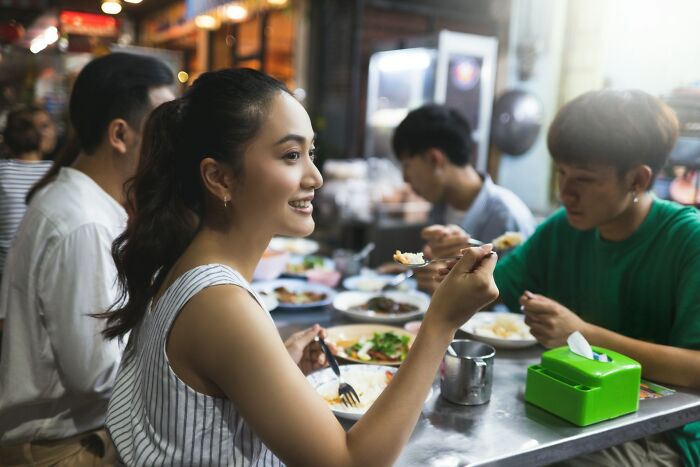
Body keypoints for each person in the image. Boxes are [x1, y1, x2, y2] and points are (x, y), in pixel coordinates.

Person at [101, 68, 499, 466]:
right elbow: (351, 463)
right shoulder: (221, 306)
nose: (316, 176)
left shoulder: (184, 262)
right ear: (219, 177)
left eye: (311, 153)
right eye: (291, 155)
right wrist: (440, 323)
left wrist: (274, 362)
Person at [431, 89, 700, 466]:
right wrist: (451, 272)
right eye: (561, 172)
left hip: (661, 434)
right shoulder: (564, 228)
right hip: (569, 407)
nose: (566, 192)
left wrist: (584, 335)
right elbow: (490, 293)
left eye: (584, 179)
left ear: (637, 180)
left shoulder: (687, 240)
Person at [0, 53, 174, 466]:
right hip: (62, 449)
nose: (169, 146)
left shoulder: (75, 201)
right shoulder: (84, 224)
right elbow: (97, 377)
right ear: (120, 134)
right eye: (162, 128)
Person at [391, 104, 536, 292]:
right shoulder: (441, 206)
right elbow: (436, 267)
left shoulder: (507, 217)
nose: (405, 178)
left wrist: (449, 289)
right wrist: (414, 270)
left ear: (435, 159)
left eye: (407, 166)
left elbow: (516, 296)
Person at [0, 106, 53, 277]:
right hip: (41, 271)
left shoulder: (2, 172)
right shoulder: (55, 174)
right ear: (39, 139)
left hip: (5, 270)